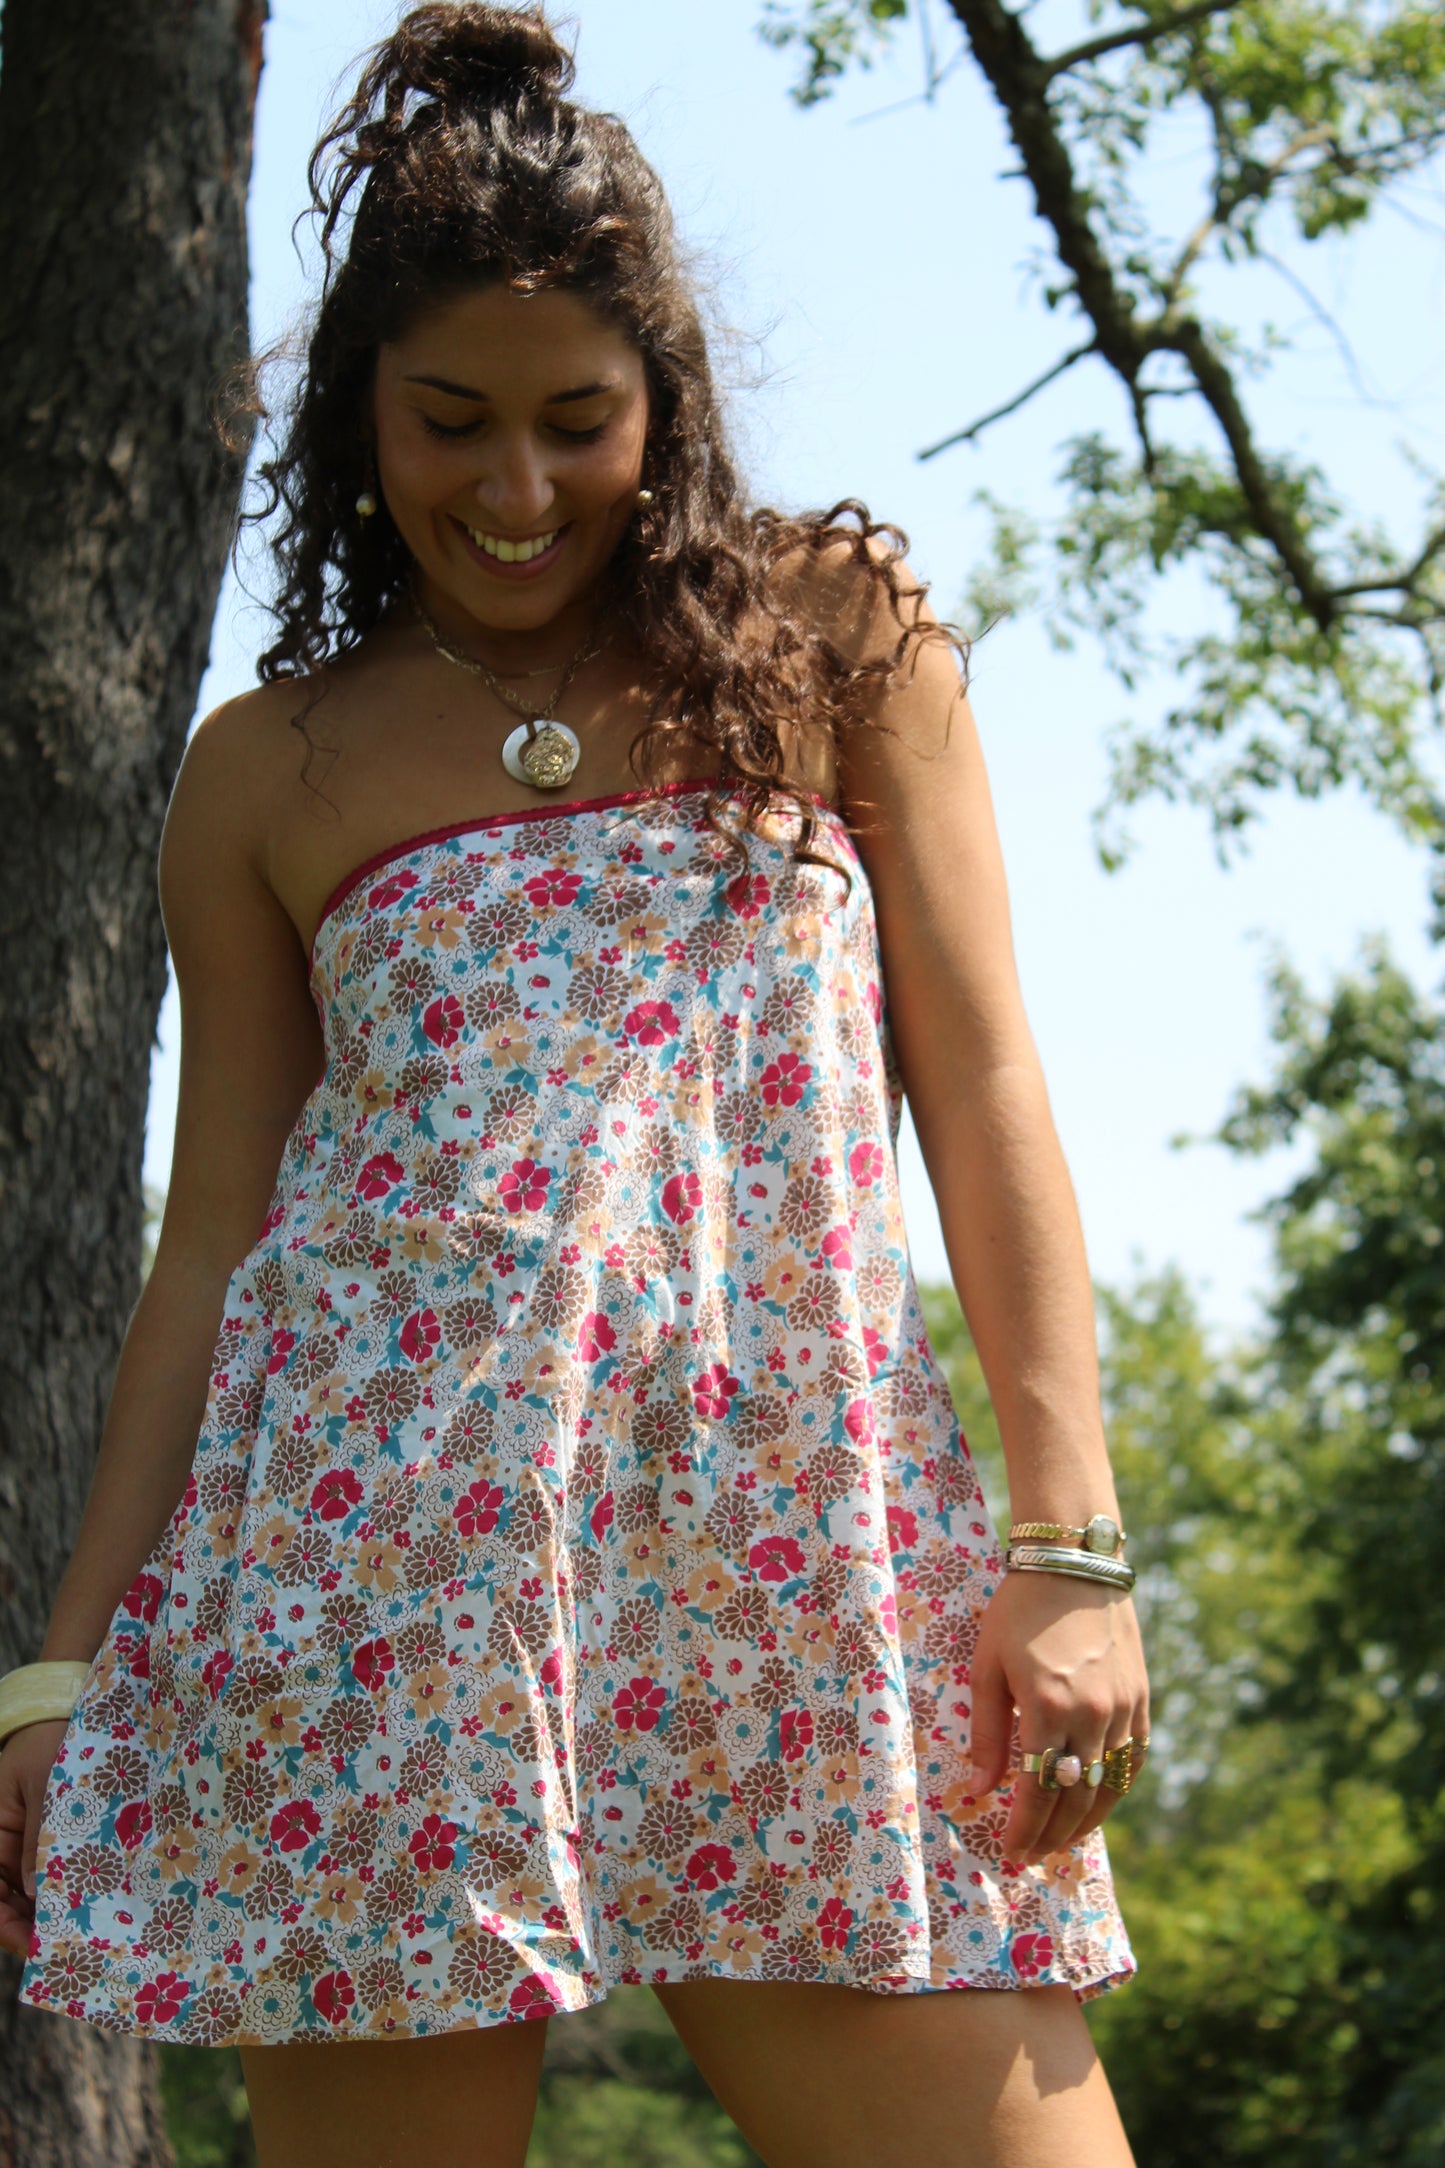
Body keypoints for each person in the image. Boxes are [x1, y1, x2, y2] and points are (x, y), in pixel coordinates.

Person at [0, 5, 1149, 2161]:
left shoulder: (833, 634)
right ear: (359, 410)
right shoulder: (270, 767)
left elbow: (990, 1081)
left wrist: (1068, 1543)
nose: (515, 491)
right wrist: (63, 1672)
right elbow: (214, 1246)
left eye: (576, 421)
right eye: (450, 422)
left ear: (664, 404)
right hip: (371, 1593)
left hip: (804, 1562)